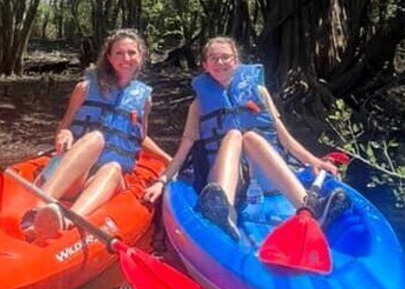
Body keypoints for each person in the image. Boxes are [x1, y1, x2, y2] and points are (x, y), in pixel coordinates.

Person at [142, 36, 339, 240]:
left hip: (261, 180)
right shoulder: (199, 104)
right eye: (214, 58)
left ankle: (308, 209)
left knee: (251, 137)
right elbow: (184, 149)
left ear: (236, 61)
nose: (220, 62)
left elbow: (285, 139)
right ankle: (224, 212)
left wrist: (315, 161)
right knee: (235, 134)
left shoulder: (259, 93)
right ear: (205, 65)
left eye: (226, 57)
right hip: (223, 181)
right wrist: (162, 181)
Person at [22, 29, 169, 242]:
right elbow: (64, 128)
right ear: (108, 57)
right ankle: (37, 211)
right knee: (95, 138)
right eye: (119, 53)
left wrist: (168, 159)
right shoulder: (85, 87)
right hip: (74, 173)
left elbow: (139, 136)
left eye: (131, 53)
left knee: (114, 167)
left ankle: (68, 221)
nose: (125, 58)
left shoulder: (144, 99)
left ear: (141, 56)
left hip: (101, 180)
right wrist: (63, 134)